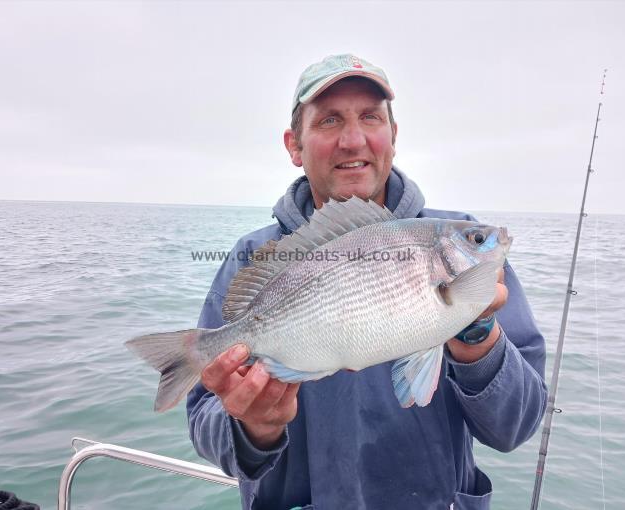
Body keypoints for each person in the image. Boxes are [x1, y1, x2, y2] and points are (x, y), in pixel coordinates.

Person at [186, 54, 547, 510]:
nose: (352, 139)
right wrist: (254, 427)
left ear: (393, 136)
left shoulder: (467, 250)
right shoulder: (254, 260)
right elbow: (204, 427)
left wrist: (477, 339)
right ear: (294, 145)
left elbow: (516, 426)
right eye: (330, 120)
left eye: (370, 117)